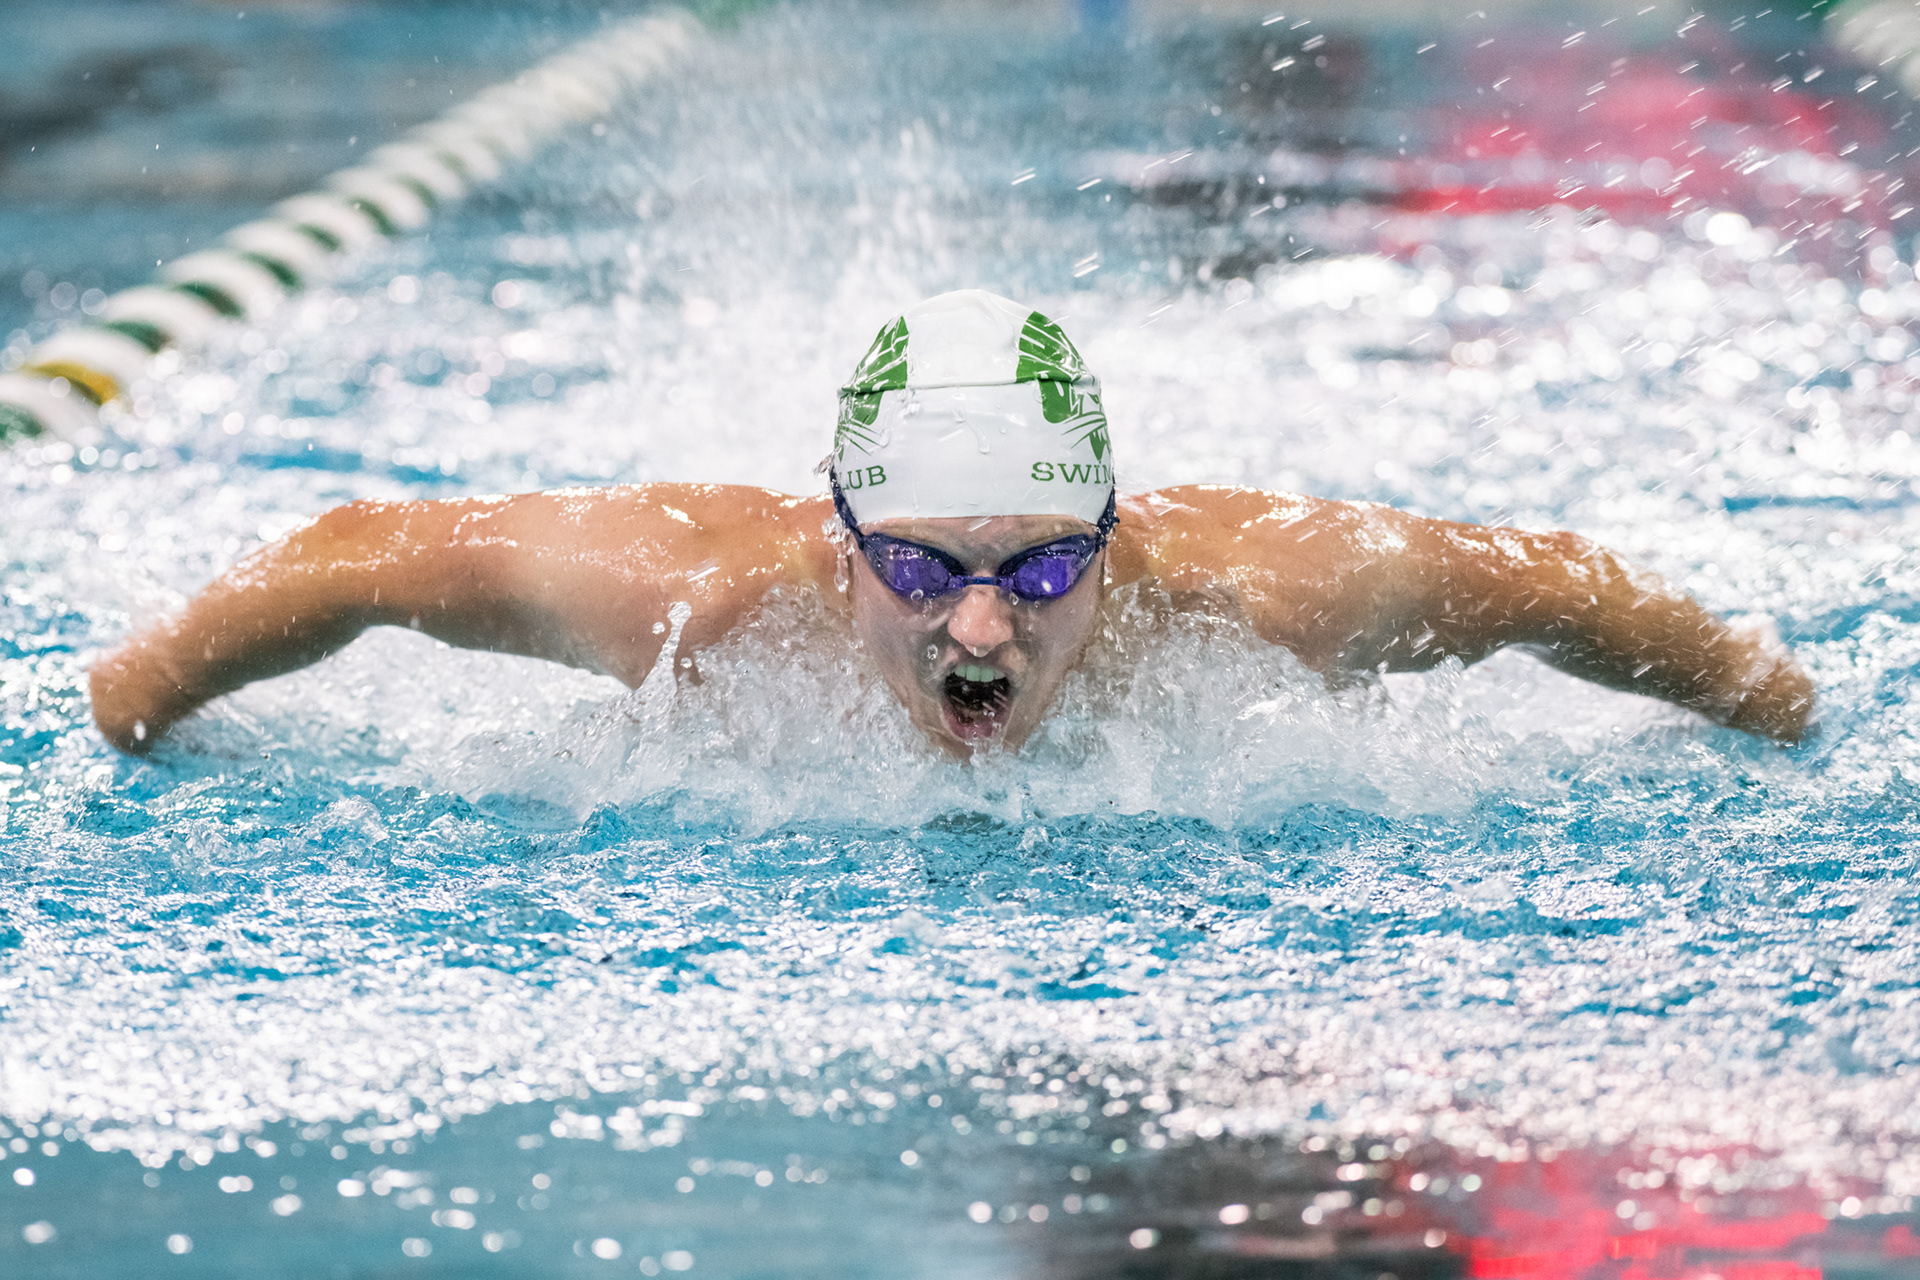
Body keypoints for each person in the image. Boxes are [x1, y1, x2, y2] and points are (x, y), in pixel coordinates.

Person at [89, 289, 1815, 759]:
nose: (981, 630)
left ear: (1114, 545)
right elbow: (363, 556)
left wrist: (1769, 701)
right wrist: (139, 695)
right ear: (839, 544)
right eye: (921, 566)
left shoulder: (1270, 593)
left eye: (1041, 568)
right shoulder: (701, 594)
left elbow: (1552, 588)